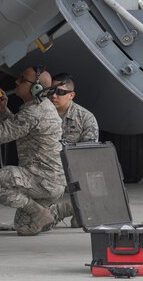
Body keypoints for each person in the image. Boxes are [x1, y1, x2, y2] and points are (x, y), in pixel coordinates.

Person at [0, 65, 66, 236]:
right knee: (22, 225)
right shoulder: (40, 107)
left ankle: (39, 212)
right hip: (51, 181)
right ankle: (57, 211)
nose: (17, 81)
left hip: (41, 180)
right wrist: (3, 110)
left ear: (36, 88)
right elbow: (16, 128)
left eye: (22, 79)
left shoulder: (33, 112)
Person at [47, 73, 99, 228]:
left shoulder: (85, 118)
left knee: (81, 221)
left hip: (72, 171)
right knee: (35, 222)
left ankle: (67, 210)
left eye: (60, 92)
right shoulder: (41, 114)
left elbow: (88, 155)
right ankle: (55, 211)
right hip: (45, 170)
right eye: (51, 91)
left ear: (71, 95)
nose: (54, 96)